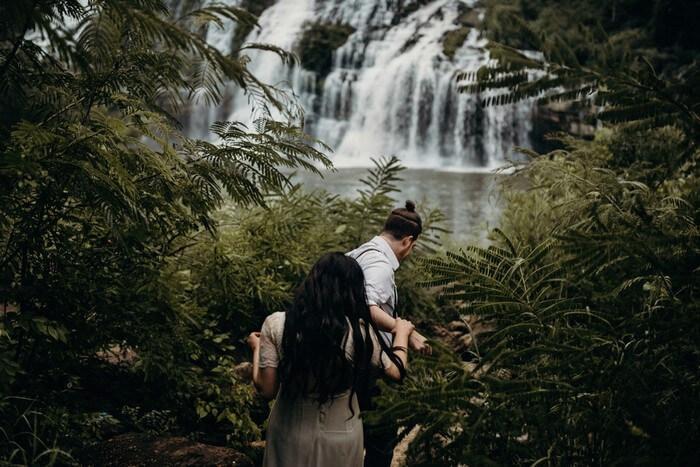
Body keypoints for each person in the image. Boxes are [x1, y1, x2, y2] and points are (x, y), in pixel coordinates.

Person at [247, 252, 415, 467]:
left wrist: (257, 347)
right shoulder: (357, 333)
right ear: (352, 291)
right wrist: (400, 332)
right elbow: (396, 372)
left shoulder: (277, 324)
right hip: (341, 432)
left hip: (289, 430)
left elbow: (266, 389)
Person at [346, 200, 430, 467]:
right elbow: (367, 307)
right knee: (381, 444)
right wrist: (399, 329)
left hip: (348, 354)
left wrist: (408, 333)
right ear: (408, 241)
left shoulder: (360, 253)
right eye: (412, 247)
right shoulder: (381, 266)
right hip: (370, 366)